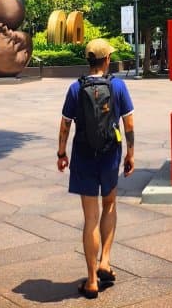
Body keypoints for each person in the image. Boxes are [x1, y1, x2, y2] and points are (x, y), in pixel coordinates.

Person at [57, 38, 135, 299]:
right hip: (110, 154)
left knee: (90, 217)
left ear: (88, 60)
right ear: (107, 60)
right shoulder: (118, 86)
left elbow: (65, 124)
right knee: (109, 205)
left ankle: (91, 281)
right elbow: (129, 124)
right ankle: (105, 261)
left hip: (83, 155)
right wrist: (130, 154)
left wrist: (61, 153)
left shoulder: (75, 88)